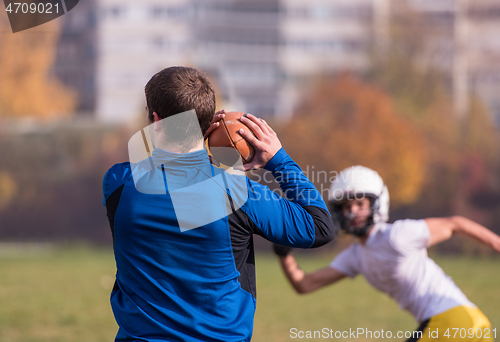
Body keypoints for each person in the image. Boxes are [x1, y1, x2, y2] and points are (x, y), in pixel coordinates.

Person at [102, 66, 335, 342]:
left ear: (156, 119)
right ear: (206, 119)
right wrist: (278, 159)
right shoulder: (238, 192)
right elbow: (319, 227)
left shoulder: (117, 183)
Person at [274, 165, 500, 342]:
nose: (352, 211)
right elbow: (305, 284)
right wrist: (284, 254)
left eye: (360, 203)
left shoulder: (396, 235)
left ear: (377, 203)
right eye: (346, 206)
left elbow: (455, 224)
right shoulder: (355, 256)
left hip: (454, 321)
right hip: (468, 324)